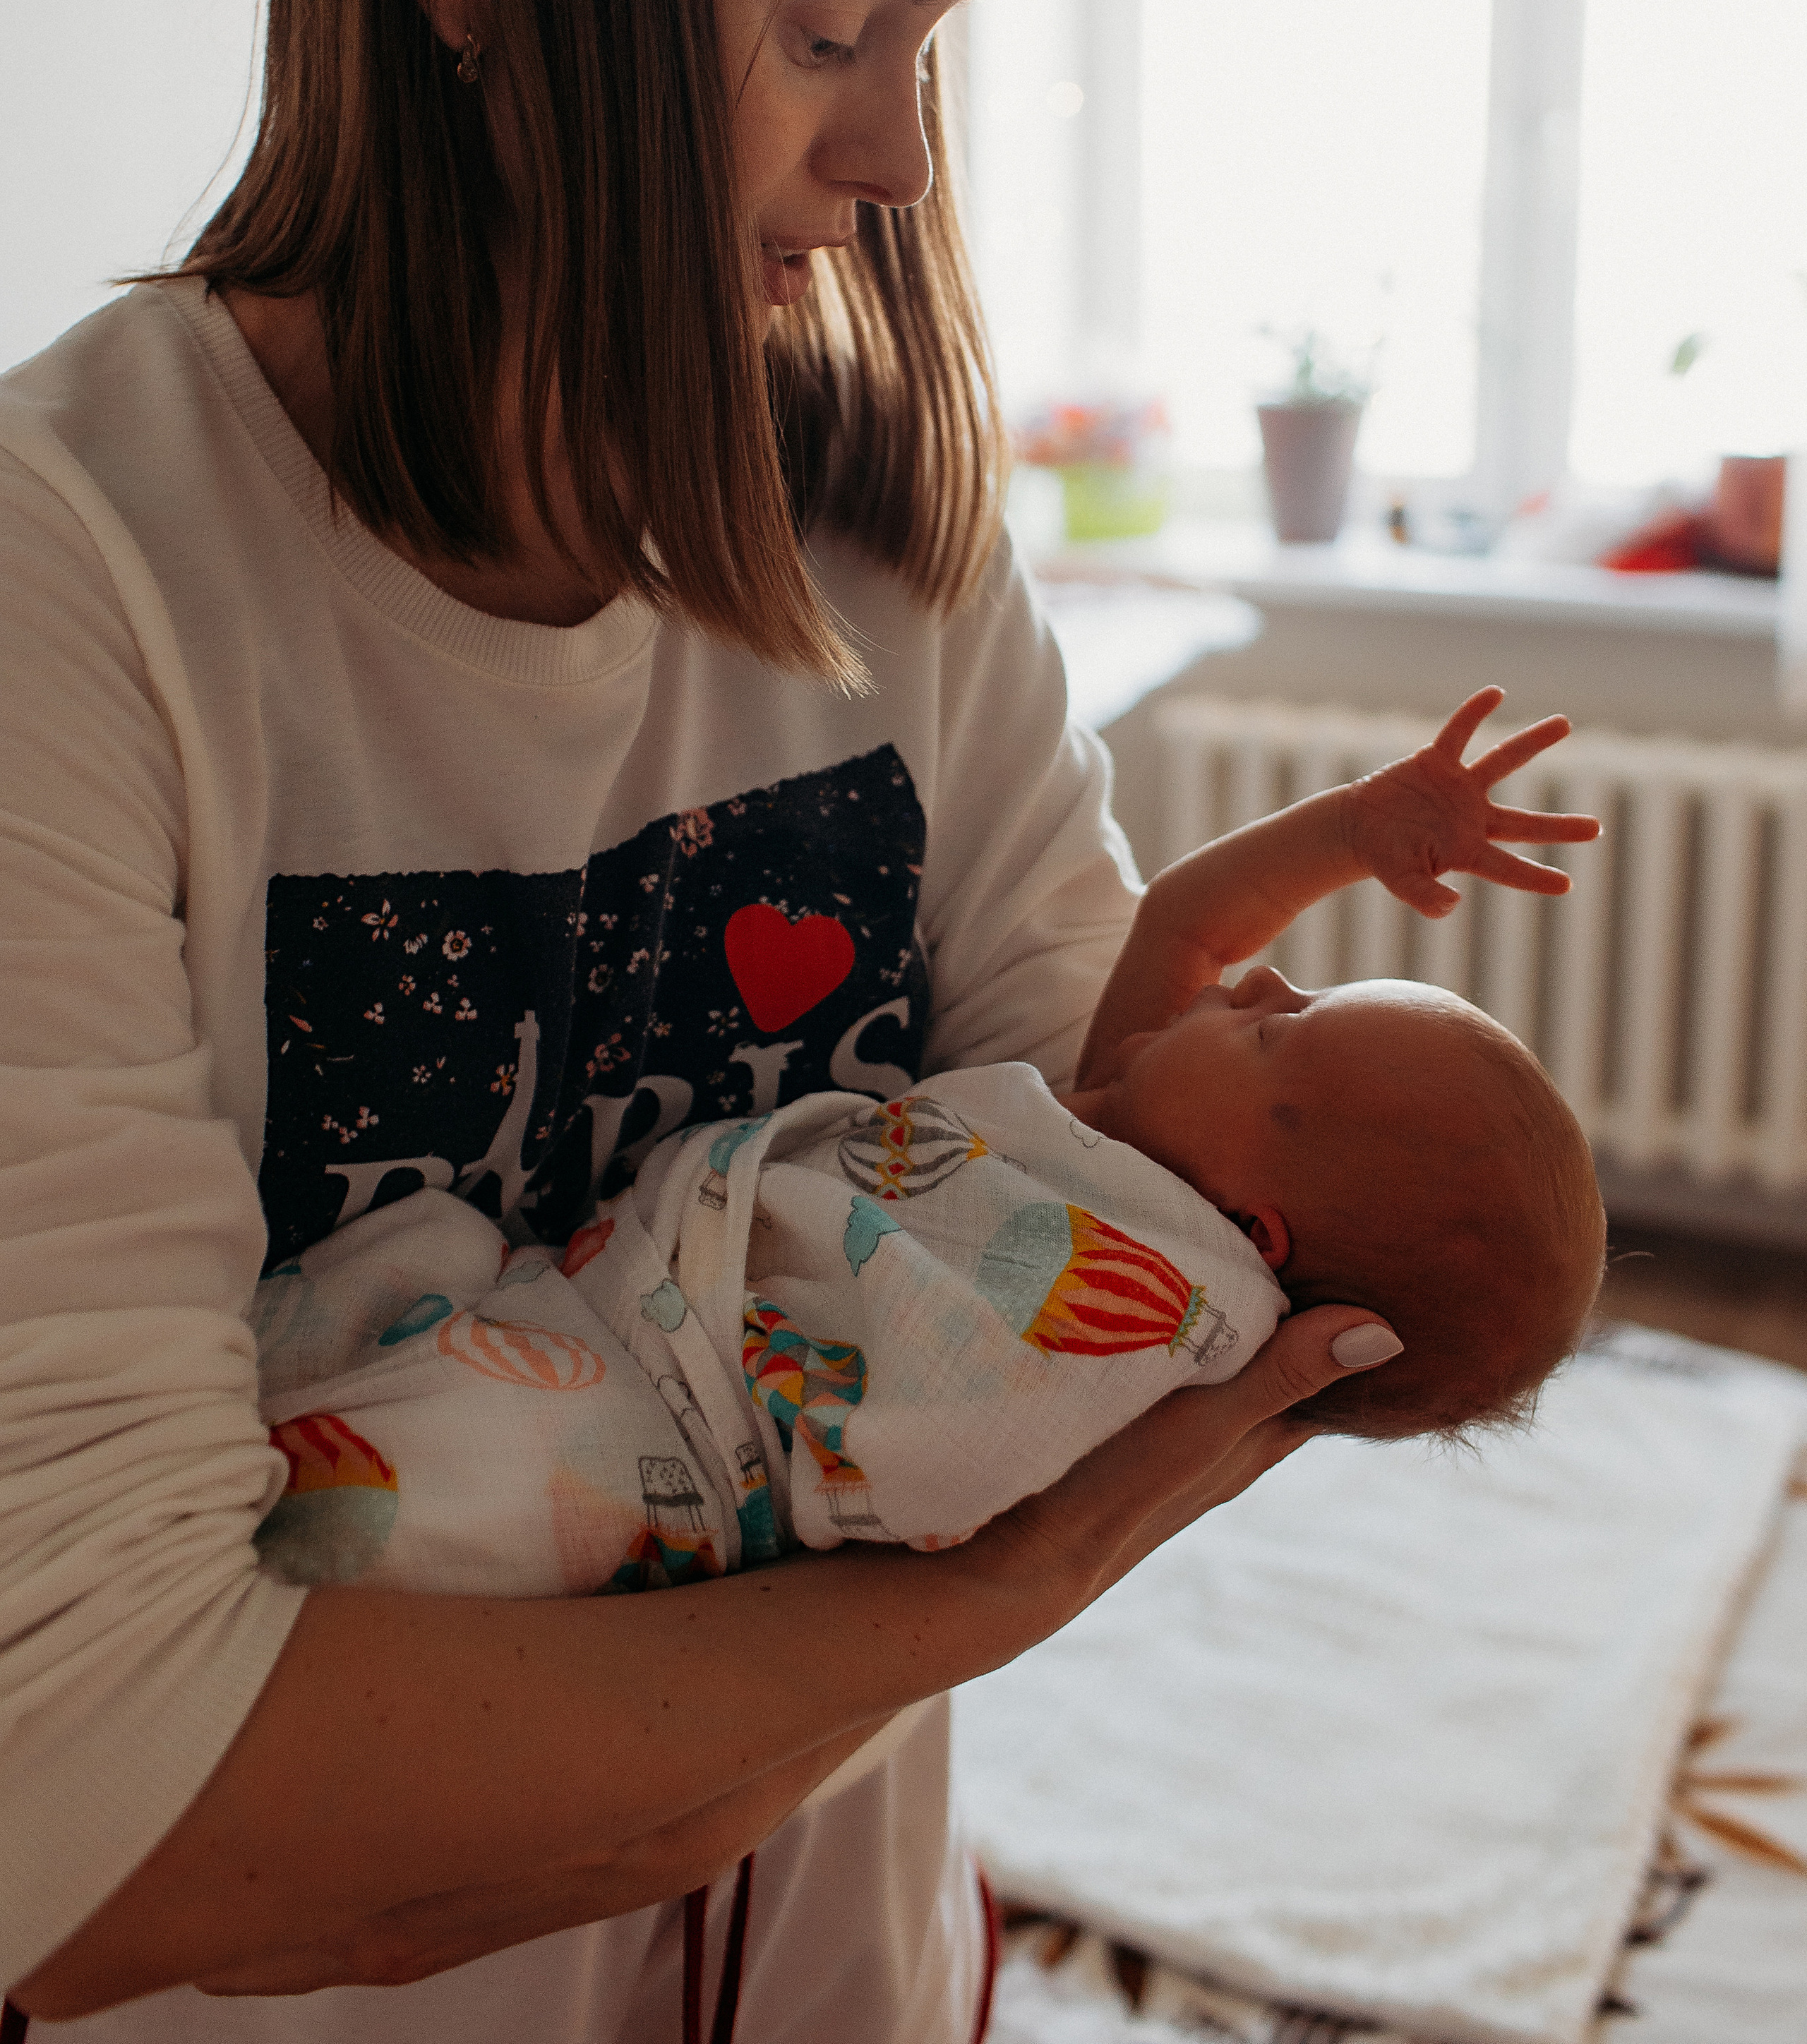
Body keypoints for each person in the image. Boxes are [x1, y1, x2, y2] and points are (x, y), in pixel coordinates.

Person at [1, 0, 1405, 2043]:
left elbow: (1135, 1192)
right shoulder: (72, 587)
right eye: (831, 20)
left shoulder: (892, 550)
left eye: (929, 42)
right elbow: (96, 1798)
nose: (893, 151)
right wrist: (957, 1613)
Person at [239, 688, 1605, 1608]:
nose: (1248, 989)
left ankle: (253, 1543)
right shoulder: (1120, 1131)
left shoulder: (1164, 1316)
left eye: (1274, 1040)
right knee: (406, 1256)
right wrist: (1349, 833)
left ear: (1255, 1237)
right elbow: (1186, 921)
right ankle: (238, 1414)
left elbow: (943, 1483)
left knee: (410, 1494)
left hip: (661, 1435)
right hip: (595, 1286)